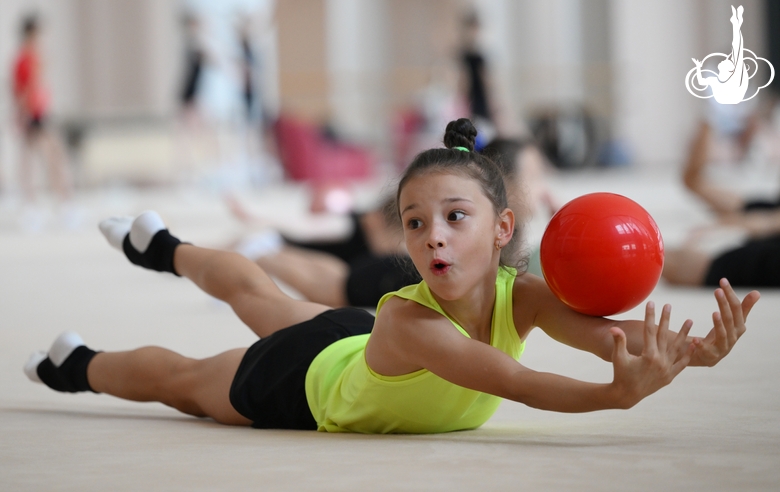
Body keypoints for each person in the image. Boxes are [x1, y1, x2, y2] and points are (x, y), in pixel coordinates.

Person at [24, 119, 759, 433]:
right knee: (183, 381)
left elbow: (609, 338)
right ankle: (80, 364)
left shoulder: (523, 294)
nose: (432, 235)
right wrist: (614, 400)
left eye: (455, 218)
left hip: (358, 340)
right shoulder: (413, 320)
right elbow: (517, 384)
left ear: (503, 229)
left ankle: (163, 247)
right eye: (415, 222)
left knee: (262, 295)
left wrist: (693, 350)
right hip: (306, 386)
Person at [228, 136, 557, 307]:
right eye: (536, 176)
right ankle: (259, 247)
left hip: (401, 262)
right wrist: (402, 248)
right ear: (507, 179)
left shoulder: (509, 228)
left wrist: (563, 231)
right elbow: (380, 221)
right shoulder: (443, 192)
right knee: (325, 274)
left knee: (332, 276)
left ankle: (262, 246)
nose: (544, 188)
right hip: (383, 250)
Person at [11, 15, 73, 210]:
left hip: (39, 111)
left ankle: (45, 201)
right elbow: (22, 89)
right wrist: (24, 114)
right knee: (49, 156)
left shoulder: (34, 57)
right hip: (34, 114)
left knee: (39, 157)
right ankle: (57, 201)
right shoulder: (26, 58)